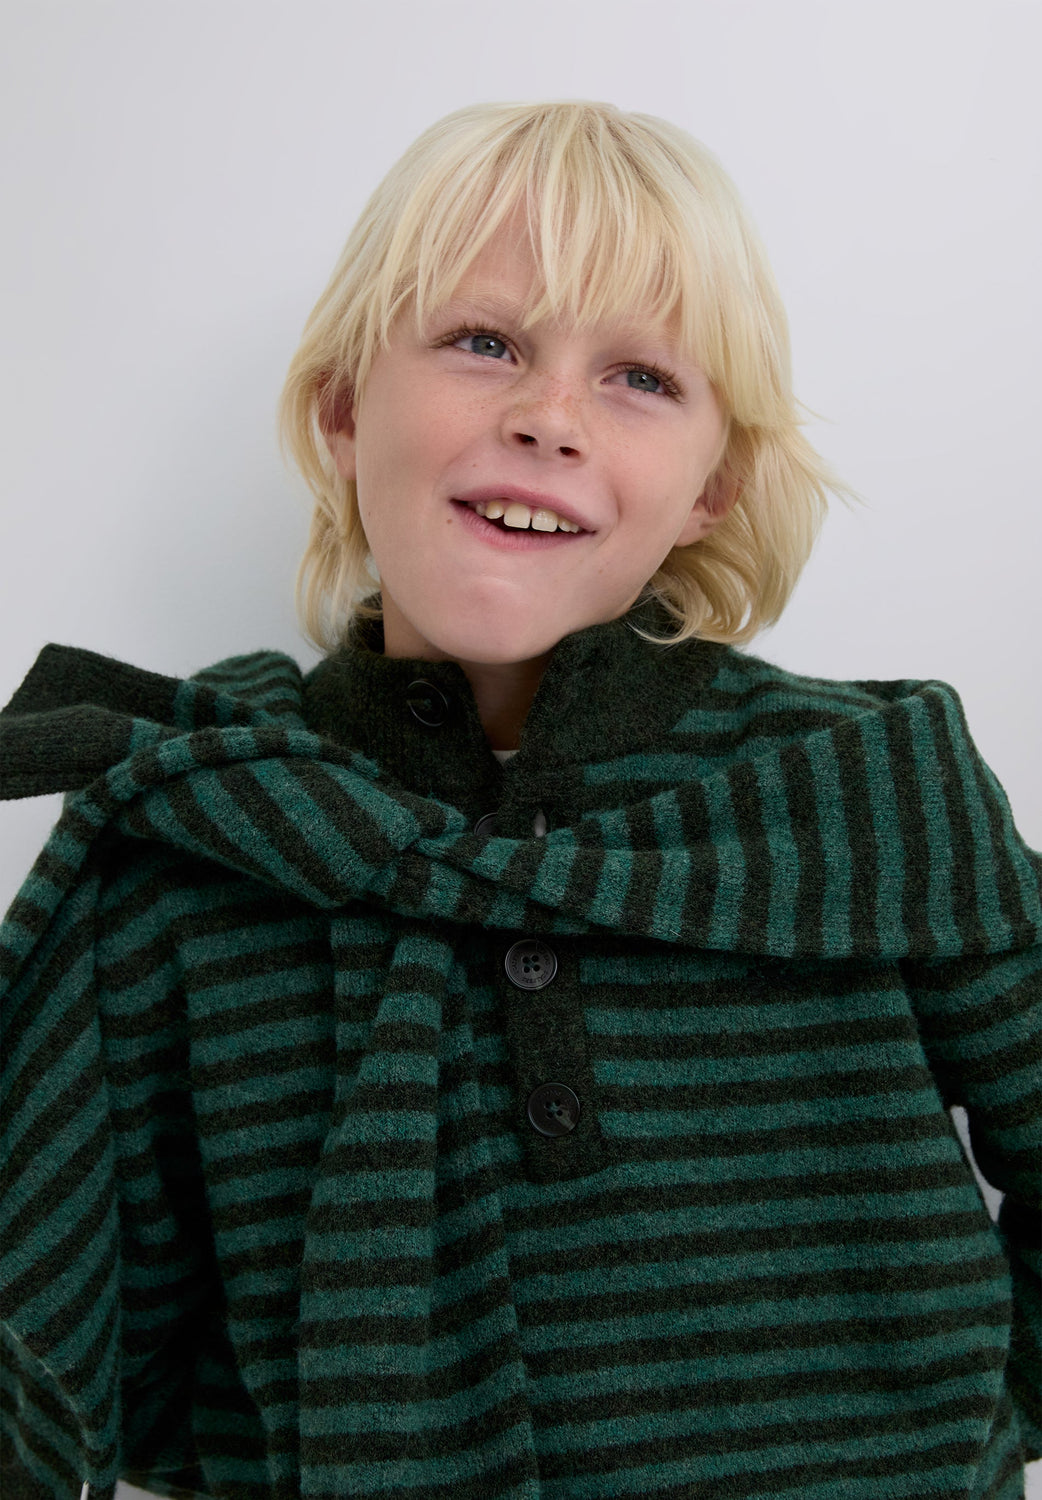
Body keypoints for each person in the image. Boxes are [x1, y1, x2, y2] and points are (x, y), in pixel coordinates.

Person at [1, 101, 1038, 1500]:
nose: (548, 418)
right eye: (484, 342)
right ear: (344, 406)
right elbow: (77, 1350)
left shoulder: (865, 792)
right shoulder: (200, 819)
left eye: (640, 377)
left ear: (713, 488)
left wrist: (969, 1439)